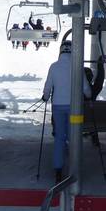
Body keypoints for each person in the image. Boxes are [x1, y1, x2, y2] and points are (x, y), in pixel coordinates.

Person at [42, 40, 93, 183]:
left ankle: (58, 169)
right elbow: (86, 88)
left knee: (59, 137)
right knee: (73, 136)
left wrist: (45, 96)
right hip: (74, 106)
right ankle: (75, 168)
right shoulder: (77, 67)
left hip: (58, 105)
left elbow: (48, 86)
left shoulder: (54, 67)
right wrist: (89, 96)